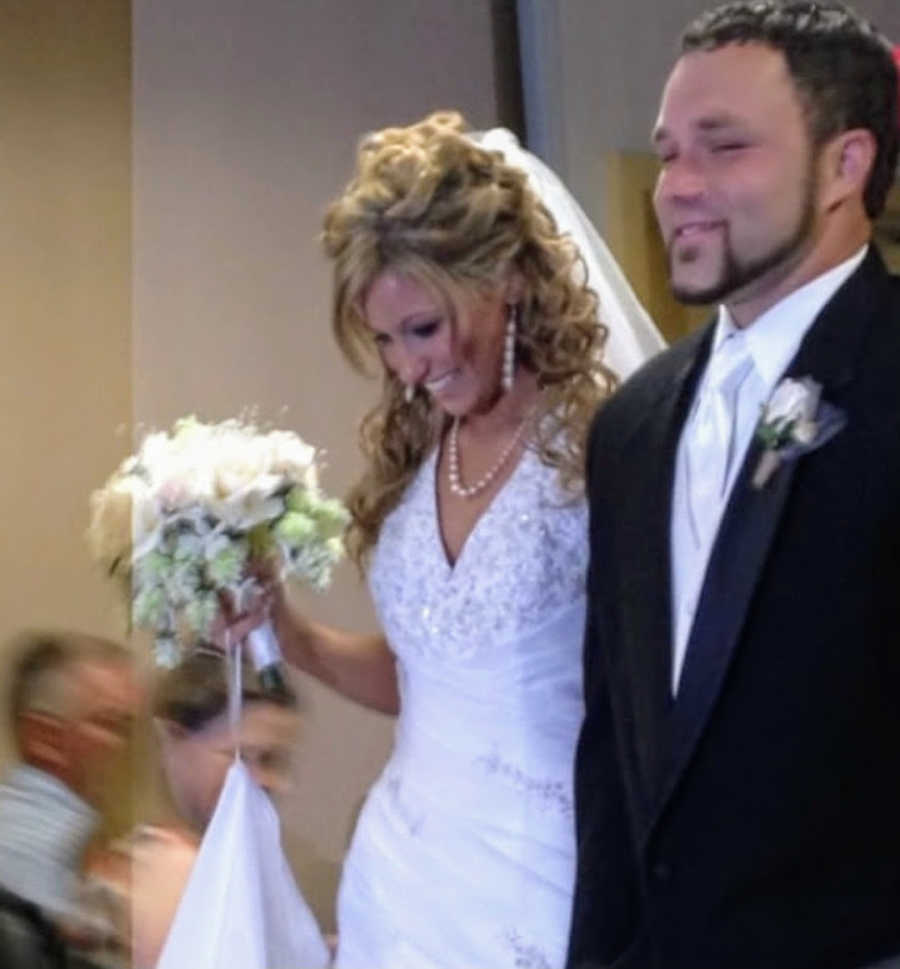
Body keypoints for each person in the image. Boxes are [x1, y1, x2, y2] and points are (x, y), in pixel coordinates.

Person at [226, 111, 662, 968]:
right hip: (402, 877)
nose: (406, 368)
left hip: (556, 878)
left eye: (422, 329)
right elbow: (426, 679)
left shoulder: (604, 446)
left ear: (504, 277)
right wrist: (296, 632)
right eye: (384, 341)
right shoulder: (422, 452)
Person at [569, 3, 900, 967]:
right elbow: (613, 755)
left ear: (845, 166)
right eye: (669, 153)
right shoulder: (631, 425)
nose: (678, 187)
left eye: (723, 147)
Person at [104, 650, 305, 968]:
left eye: (276, 761)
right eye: (244, 758)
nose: (272, 782)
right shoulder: (178, 873)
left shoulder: (214, 865)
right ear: (174, 738)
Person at [0, 630, 139, 967]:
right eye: (107, 724)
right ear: (44, 737)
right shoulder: (31, 847)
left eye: (127, 727)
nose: (123, 746)